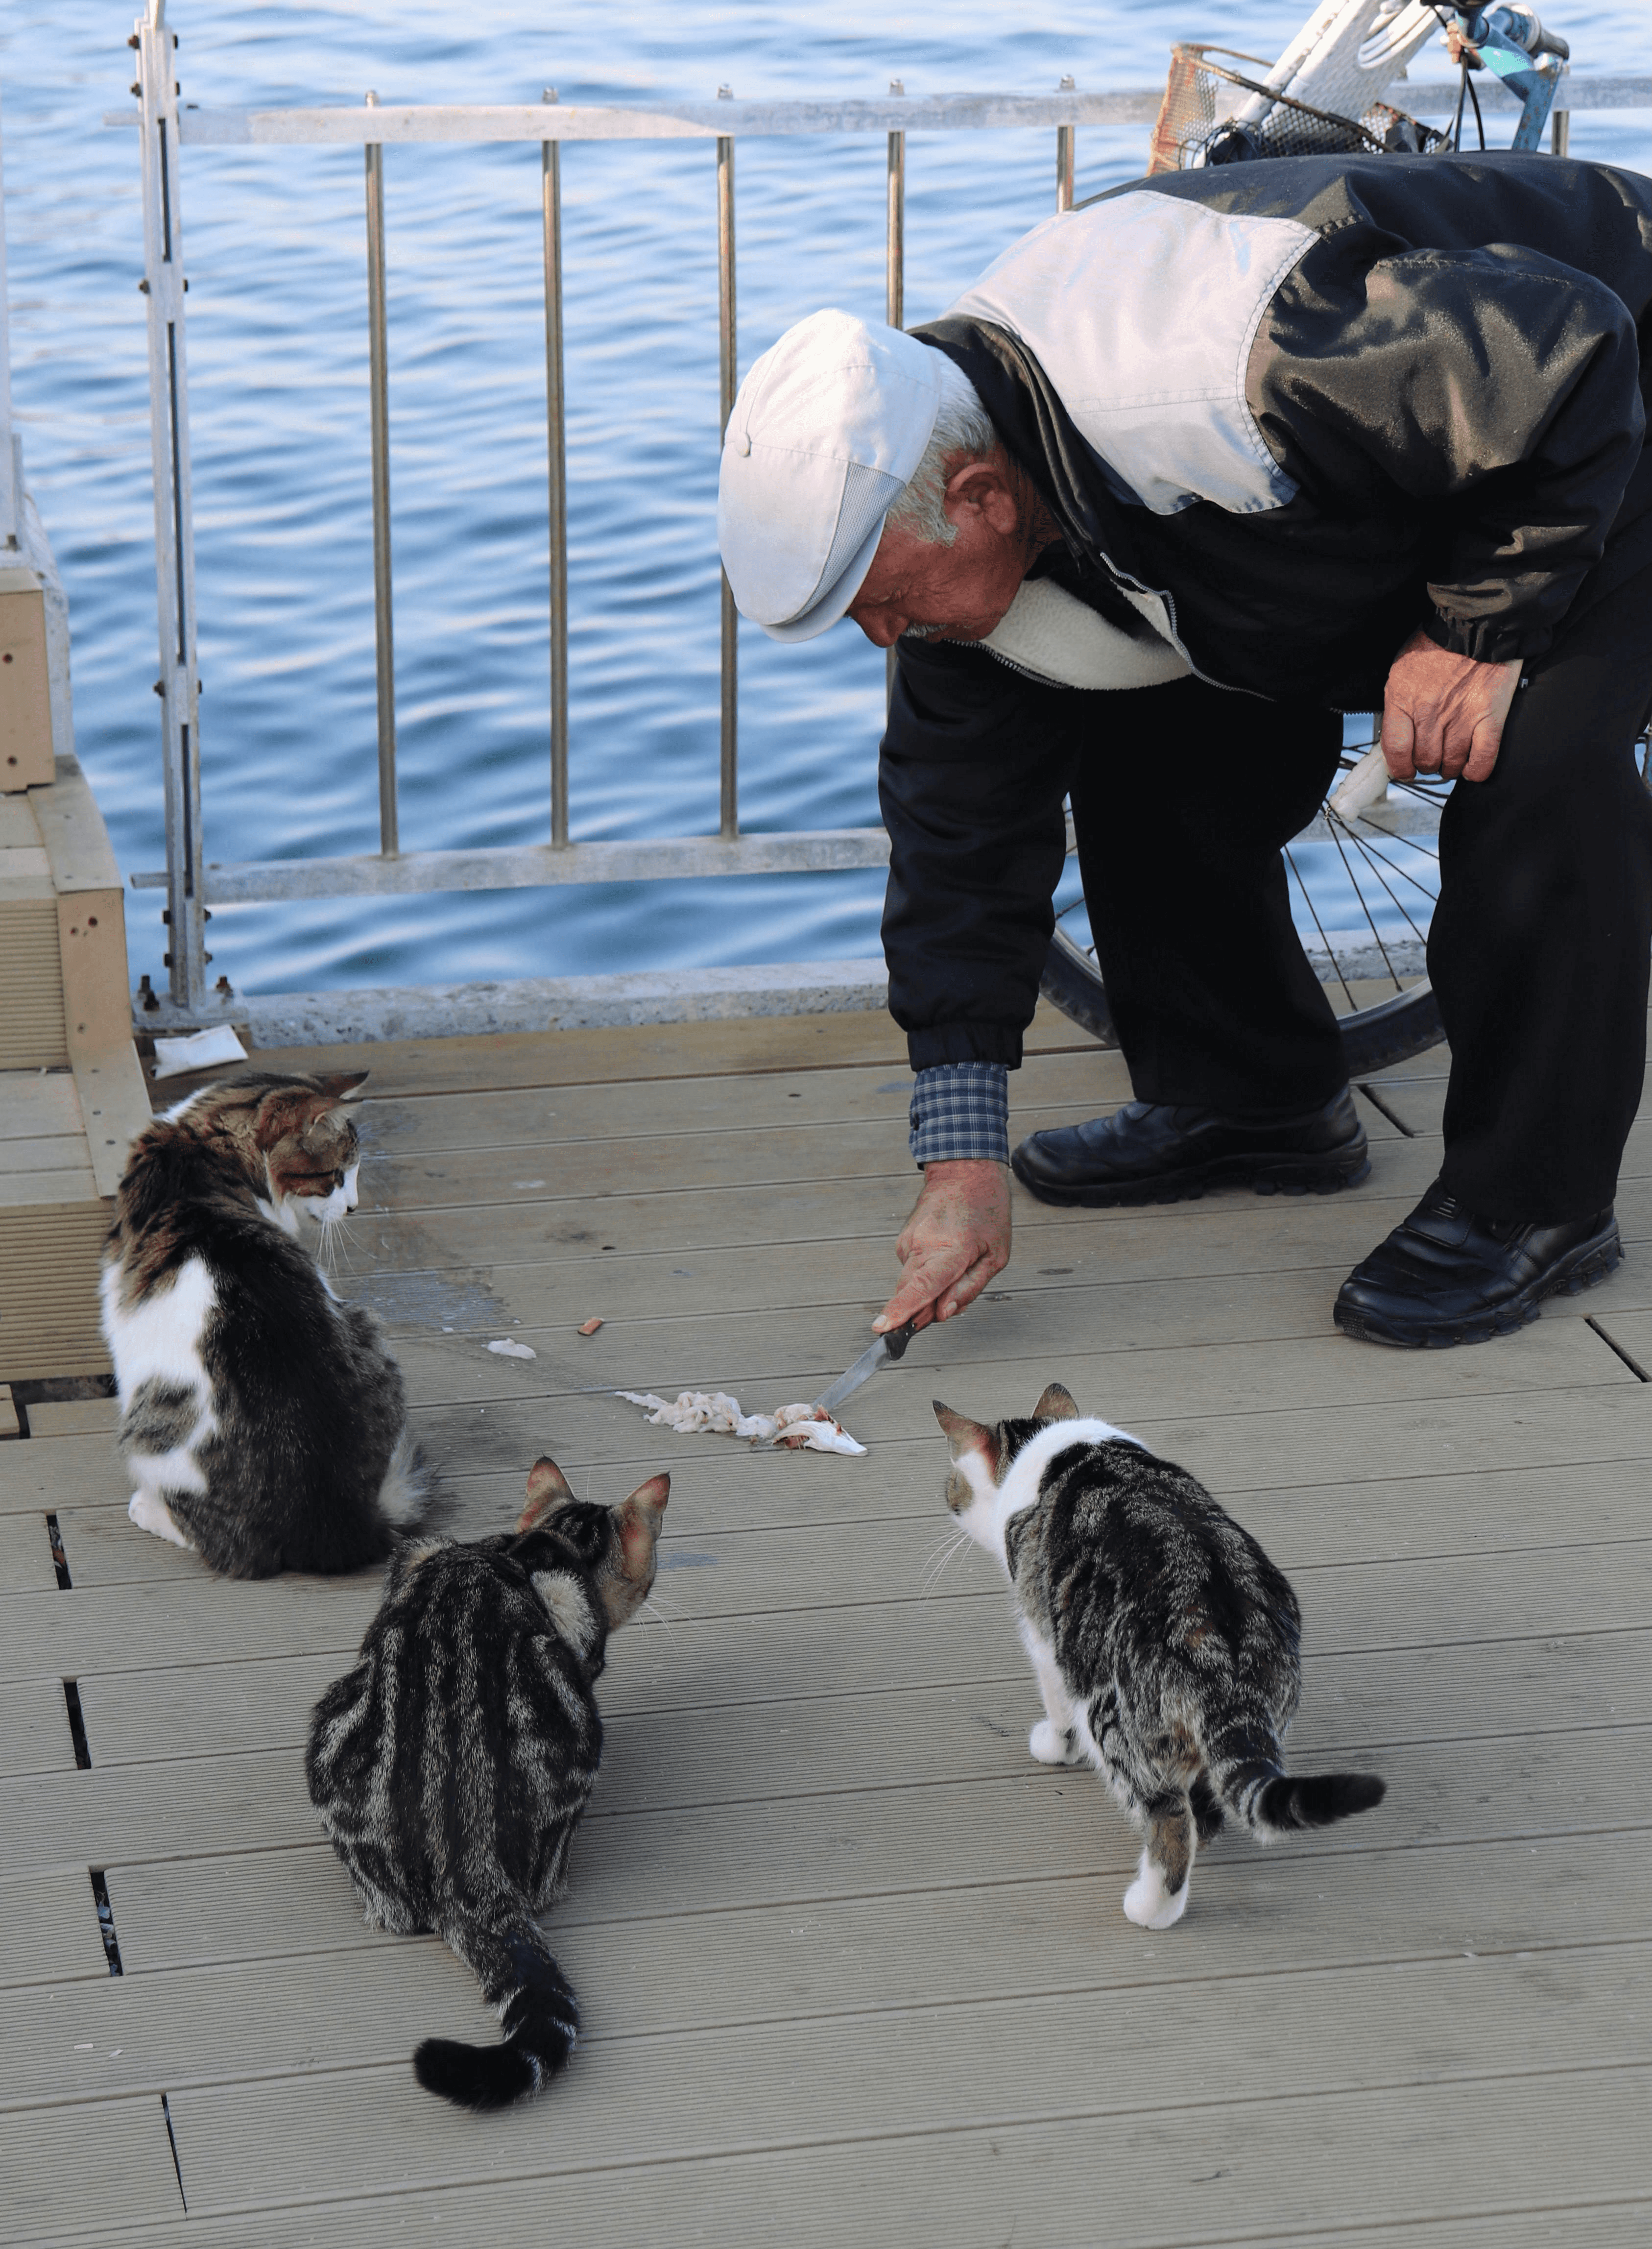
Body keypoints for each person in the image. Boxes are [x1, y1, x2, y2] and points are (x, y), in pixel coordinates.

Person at [717, 151, 1652, 1349]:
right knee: (1149, 746)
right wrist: (961, 1162)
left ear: (979, 498)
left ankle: (1536, 1203)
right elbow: (957, 838)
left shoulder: (1218, 369)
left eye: (881, 601)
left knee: (1533, 767)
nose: (884, 636)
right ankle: (1249, 1097)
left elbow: (1572, 348)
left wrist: (1476, 626)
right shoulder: (958, 493)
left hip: (1597, 415)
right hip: (1406, 467)